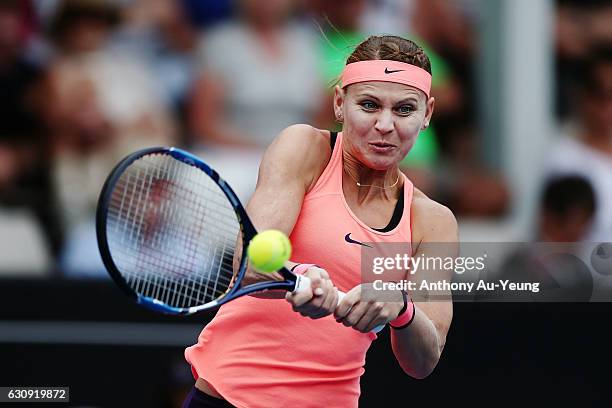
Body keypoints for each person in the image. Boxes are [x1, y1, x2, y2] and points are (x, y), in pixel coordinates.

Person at [183, 35, 456, 408]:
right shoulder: (303, 148)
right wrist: (298, 274)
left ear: (427, 115)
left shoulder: (434, 221)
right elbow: (245, 264)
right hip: (229, 397)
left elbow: (424, 361)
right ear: (340, 103)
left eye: (405, 109)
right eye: (369, 105)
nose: (385, 125)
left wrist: (401, 306)